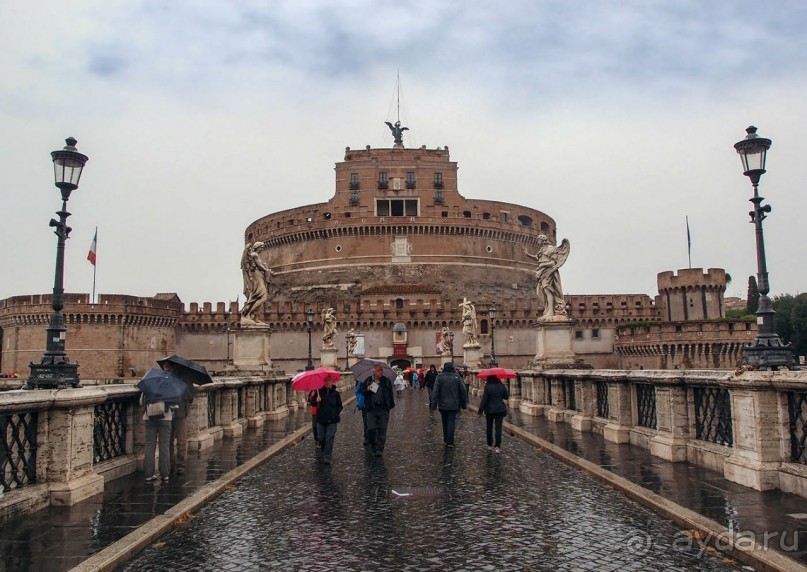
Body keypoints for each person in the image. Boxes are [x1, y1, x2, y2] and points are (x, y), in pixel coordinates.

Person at [523, 236, 571, 318]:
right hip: (542, 272)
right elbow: (538, 258)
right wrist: (528, 255)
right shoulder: (542, 249)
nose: (537, 241)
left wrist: (542, 265)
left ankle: (551, 312)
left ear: (543, 240)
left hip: (549, 272)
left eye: (539, 239)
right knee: (543, 292)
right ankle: (548, 309)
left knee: (548, 291)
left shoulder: (551, 249)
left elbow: (553, 263)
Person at [140, 372, 174, 483]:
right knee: (164, 447)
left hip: (149, 418)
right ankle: (165, 474)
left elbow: (141, 402)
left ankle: (149, 474)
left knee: (150, 446)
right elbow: (174, 404)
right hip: (165, 418)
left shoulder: (148, 387)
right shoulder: (168, 387)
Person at [165, 361, 194, 475]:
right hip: (168, 413)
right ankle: (170, 464)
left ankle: (180, 465)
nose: (165, 369)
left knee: (180, 441)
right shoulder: (165, 379)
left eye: (167, 367)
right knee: (169, 441)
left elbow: (190, 396)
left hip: (180, 413)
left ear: (173, 367)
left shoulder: (184, 380)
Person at [360, 363, 395, 457]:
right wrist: (367, 389)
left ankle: (380, 449)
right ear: (374, 371)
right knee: (371, 429)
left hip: (383, 409)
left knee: (382, 430)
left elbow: (390, 394)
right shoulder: (368, 380)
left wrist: (389, 406)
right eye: (379, 370)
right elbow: (361, 391)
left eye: (381, 370)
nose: (381, 372)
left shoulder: (386, 381)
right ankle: (373, 445)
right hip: (371, 409)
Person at [430, 362, 467, 447]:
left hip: (443, 404)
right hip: (454, 404)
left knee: (444, 422)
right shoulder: (457, 377)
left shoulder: (439, 377)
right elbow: (463, 391)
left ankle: (446, 439)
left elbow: (435, 392)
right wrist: (464, 404)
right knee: (451, 422)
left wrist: (433, 405)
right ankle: (450, 442)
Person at [311, 374, 343, 465]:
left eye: (329, 381)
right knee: (321, 438)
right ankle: (324, 450)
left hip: (332, 420)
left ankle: (327, 456)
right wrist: (316, 400)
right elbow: (312, 403)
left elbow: (340, 406)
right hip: (321, 419)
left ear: (332, 382)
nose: (327, 382)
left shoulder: (336, 393)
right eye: (326, 381)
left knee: (330, 436)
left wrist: (335, 414)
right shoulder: (319, 392)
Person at [478, 375, 510, 453]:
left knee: (489, 427)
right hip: (500, 410)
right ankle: (497, 446)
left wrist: (480, 410)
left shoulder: (487, 386)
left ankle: (489, 444)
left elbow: (484, 399)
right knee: (498, 428)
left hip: (489, 410)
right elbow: (506, 396)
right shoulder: (501, 385)